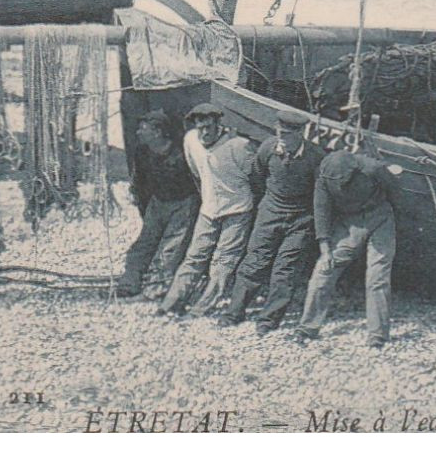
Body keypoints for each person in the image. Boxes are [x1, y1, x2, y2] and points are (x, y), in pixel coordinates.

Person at [293, 137, 403, 347]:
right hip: (349, 223)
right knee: (323, 271)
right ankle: (307, 327)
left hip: (379, 218)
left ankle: (377, 335)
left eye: (343, 181)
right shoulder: (324, 175)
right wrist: (325, 250)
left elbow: (395, 192)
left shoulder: (372, 168)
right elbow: (321, 211)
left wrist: (393, 220)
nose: (339, 185)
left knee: (377, 277)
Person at [219, 115, 321, 332]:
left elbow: (320, 193)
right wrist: (268, 205)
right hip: (270, 213)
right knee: (254, 261)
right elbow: (257, 176)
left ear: (300, 134)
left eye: (286, 135)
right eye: (278, 133)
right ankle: (234, 312)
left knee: (286, 270)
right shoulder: (268, 148)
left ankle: (268, 320)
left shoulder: (315, 157)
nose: (281, 139)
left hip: (301, 220)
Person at [159, 103, 258, 318]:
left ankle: (202, 308)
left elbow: (255, 176)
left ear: (218, 125)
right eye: (200, 127)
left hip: (237, 210)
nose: (204, 133)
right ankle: (171, 303)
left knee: (222, 262)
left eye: (209, 128)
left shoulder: (238, 145)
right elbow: (196, 172)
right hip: (209, 209)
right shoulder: (190, 140)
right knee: (194, 258)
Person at [117, 111, 199, 298]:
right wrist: (144, 206)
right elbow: (140, 182)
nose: (138, 132)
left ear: (158, 132)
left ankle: (157, 286)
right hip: (158, 202)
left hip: (183, 204)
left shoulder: (181, 153)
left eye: (143, 129)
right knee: (143, 244)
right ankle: (130, 281)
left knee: (170, 248)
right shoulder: (142, 152)